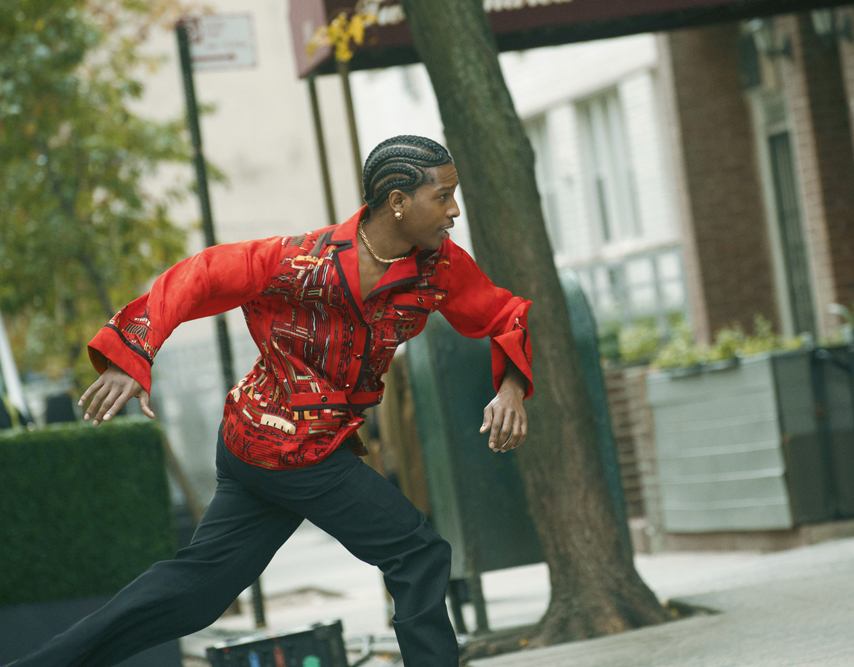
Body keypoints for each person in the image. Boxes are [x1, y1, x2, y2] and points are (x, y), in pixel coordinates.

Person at [8, 135, 532, 667]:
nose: (454, 209)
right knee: (417, 552)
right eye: (442, 196)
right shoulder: (299, 260)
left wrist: (511, 389)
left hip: (266, 451)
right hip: (290, 445)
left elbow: (503, 314)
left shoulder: (440, 268)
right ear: (398, 201)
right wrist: (133, 351)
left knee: (197, 593)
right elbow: (200, 274)